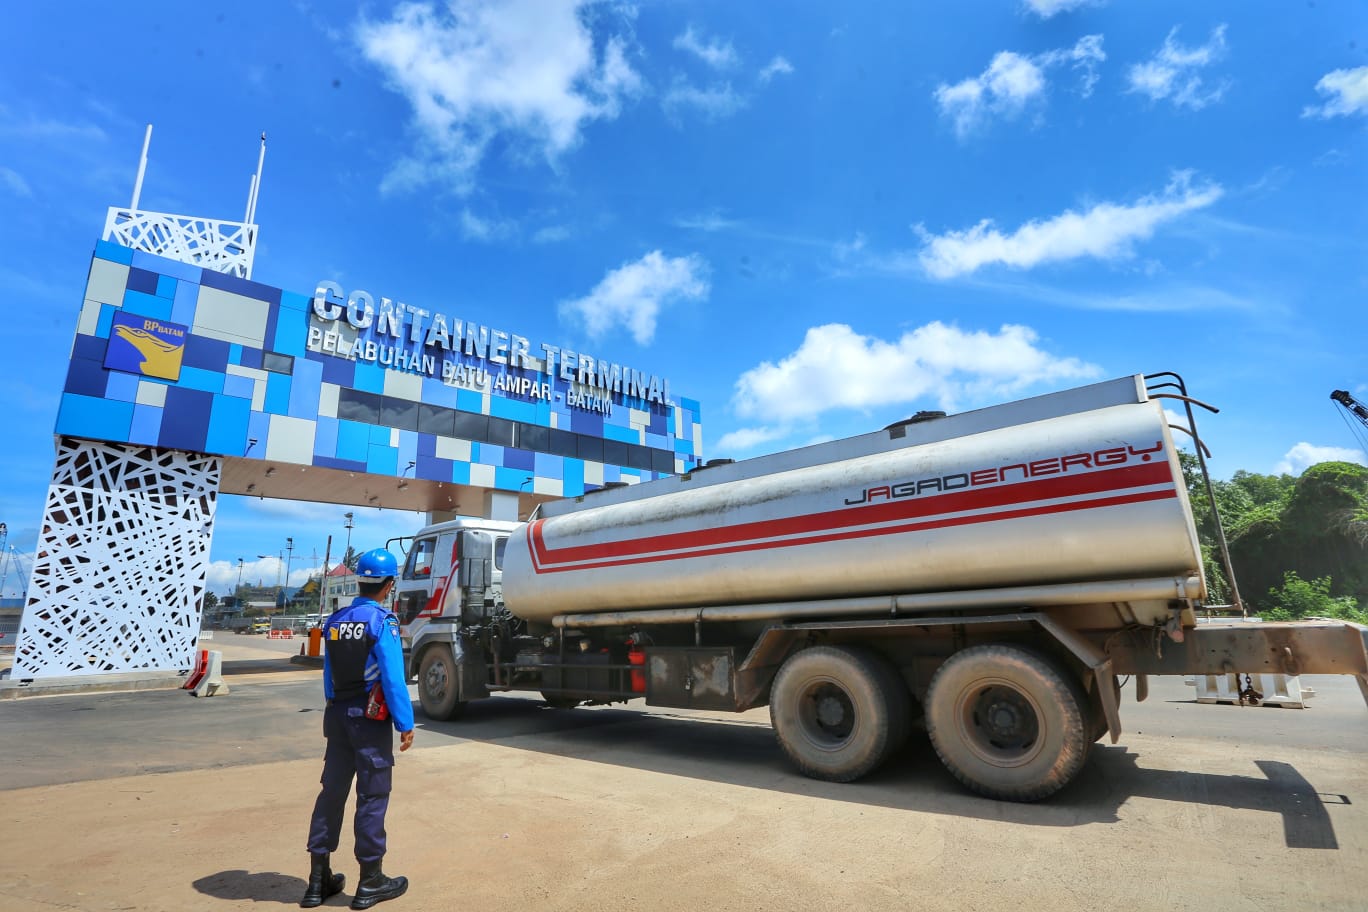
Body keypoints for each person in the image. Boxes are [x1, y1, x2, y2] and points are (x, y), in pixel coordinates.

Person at [302, 548, 414, 909]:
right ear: (389, 585)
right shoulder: (383, 621)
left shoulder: (336, 620)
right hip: (368, 720)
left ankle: (318, 880)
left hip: (336, 716)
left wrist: (335, 707)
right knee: (372, 795)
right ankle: (371, 880)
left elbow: (329, 675)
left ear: (360, 580)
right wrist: (405, 723)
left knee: (331, 793)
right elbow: (394, 679)